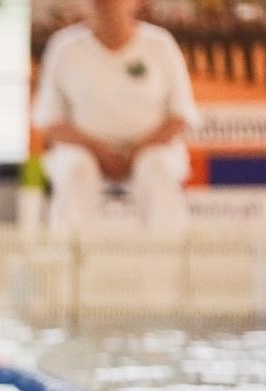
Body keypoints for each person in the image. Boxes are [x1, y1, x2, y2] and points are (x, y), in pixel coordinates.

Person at [32, 0, 200, 233]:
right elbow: (50, 120)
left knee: (156, 168)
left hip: (151, 147)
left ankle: (167, 262)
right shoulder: (64, 47)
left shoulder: (160, 45)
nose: (107, 4)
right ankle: (70, 261)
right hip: (84, 148)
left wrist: (137, 149)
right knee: (76, 170)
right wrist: (98, 149)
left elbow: (180, 115)